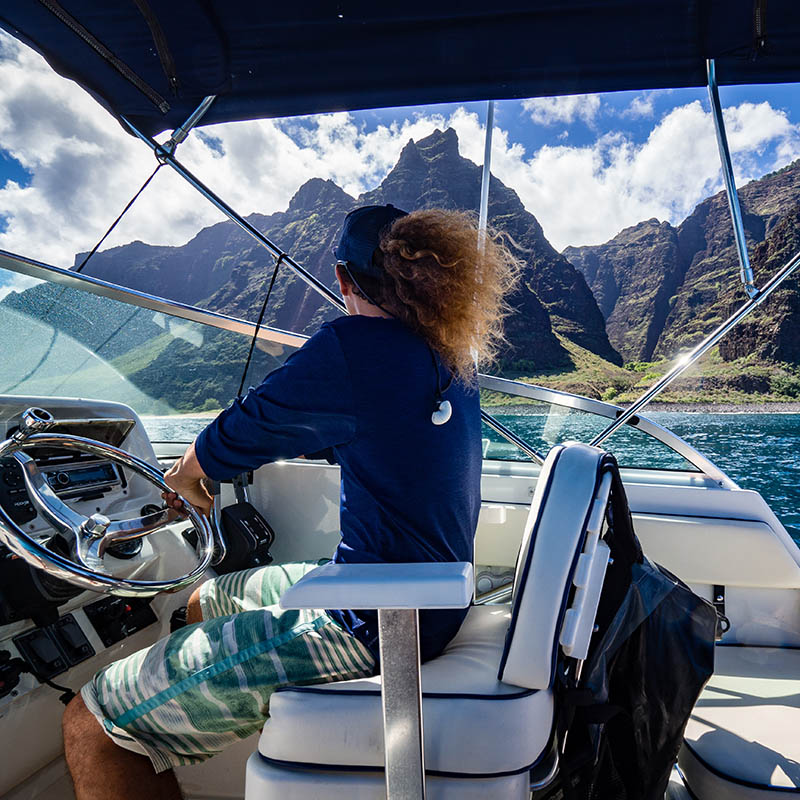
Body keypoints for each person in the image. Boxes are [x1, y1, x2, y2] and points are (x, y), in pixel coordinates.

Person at [62, 204, 520, 800]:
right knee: (204, 599)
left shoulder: (356, 347)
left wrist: (189, 474)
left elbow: (239, 433)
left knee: (91, 720)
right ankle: (219, 710)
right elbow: (374, 439)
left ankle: (158, 719)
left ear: (342, 279)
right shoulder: (445, 360)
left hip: (374, 621)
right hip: (416, 594)